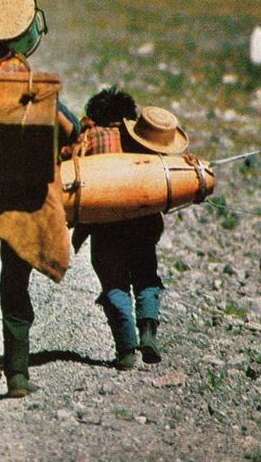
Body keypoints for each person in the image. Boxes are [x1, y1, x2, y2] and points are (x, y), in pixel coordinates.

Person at [0, 98, 80, 397]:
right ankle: (18, 375)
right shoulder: (33, 91)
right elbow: (73, 128)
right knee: (15, 286)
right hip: (24, 210)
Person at [66, 87, 187, 370]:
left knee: (114, 284)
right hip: (143, 225)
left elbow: (69, 166)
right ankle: (148, 333)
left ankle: (126, 350)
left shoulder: (89, 139)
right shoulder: (141, 140)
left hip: (105, 228)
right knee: (146, 276)